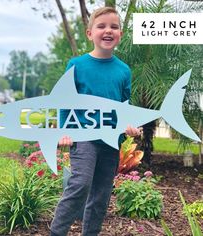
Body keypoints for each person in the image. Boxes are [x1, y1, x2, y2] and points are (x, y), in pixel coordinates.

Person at [50, 6, 142, 236]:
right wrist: (63, 130)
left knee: (101, 195)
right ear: (90, 33)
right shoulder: (77, 65)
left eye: (114, 26)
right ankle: (57, 232)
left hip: (111, 141)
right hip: (83, 138)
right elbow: (64, 100)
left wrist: (131, 126)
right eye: (101, 26)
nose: (108, 30)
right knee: (80, 184)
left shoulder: (123, 70)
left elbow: (125, 105)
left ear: (121, 34)